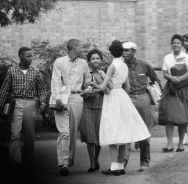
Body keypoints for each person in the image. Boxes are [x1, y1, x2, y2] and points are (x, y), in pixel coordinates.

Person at [91, 40, 150, 176]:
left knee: (113, 132)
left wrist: (93, 82)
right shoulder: (124, 65)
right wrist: (122, 96)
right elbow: (128, 87)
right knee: (123, 132)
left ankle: (114, 166)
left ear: (111, 52)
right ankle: (121, 166)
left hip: (112, 97)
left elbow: (102, 86)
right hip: (123, 97)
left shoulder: (112, 66)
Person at [0, 47, 47, 170]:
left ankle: (28, 161)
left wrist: (42, 102)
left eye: (32, 56)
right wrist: (1, 105)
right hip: (16, 103)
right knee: (15, 133)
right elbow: (4, 90)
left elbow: (42, 89)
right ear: (20, 57)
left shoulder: (36, 72)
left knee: (30, 135)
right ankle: (15, 161)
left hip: (31, 103)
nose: (31, 58)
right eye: (28, 56)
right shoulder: (12, 71)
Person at [51, 39, 91, 176]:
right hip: (61, 99)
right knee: (64, 132)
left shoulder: (83, 63)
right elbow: (55, 81)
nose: (82, 49)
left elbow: (88, 80)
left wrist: (88, 88)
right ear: (73, 47)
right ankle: (63, 163)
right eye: (81, 46)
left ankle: (67, 162)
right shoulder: (59, 62)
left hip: (77, 98)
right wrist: (57, 98)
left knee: (72, 133)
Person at [122, 41, 162, 172]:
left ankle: (144, 161)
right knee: (126, 131)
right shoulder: (120, 66)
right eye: (123, 50)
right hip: (127, 98)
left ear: (133, 51)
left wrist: (155, 95)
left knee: (145, 131)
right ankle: (122, 162)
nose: (125, 52)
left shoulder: (144, 65)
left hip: (143, 97)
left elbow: (156, 79)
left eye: (127, 50)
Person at [158, 34, 188, 152]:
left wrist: (180, 78)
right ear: (171, 44)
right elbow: (165, 73)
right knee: (169, 116)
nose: (175, 45)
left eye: (178, 43)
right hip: (171, 88)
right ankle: (169, 144)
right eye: (173, 43)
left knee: (183, 117)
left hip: (184, 89)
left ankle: (180, 144)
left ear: (181, 45)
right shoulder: (167, 57)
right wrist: (172, 78)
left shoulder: (186, 57)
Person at [79, 49, 109, 173]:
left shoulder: (104, 73)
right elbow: (80, 90)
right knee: (90, 137)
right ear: (89, 61)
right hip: (88, 107)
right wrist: (85, 91)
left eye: (98, 58)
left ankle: (96, 159)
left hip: (101, 107)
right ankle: (92, 163)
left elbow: (108, 90)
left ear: (101, 60)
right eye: (93, 58)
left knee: (98, 137)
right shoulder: (85, 74)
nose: (96, 60)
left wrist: (98, 87)